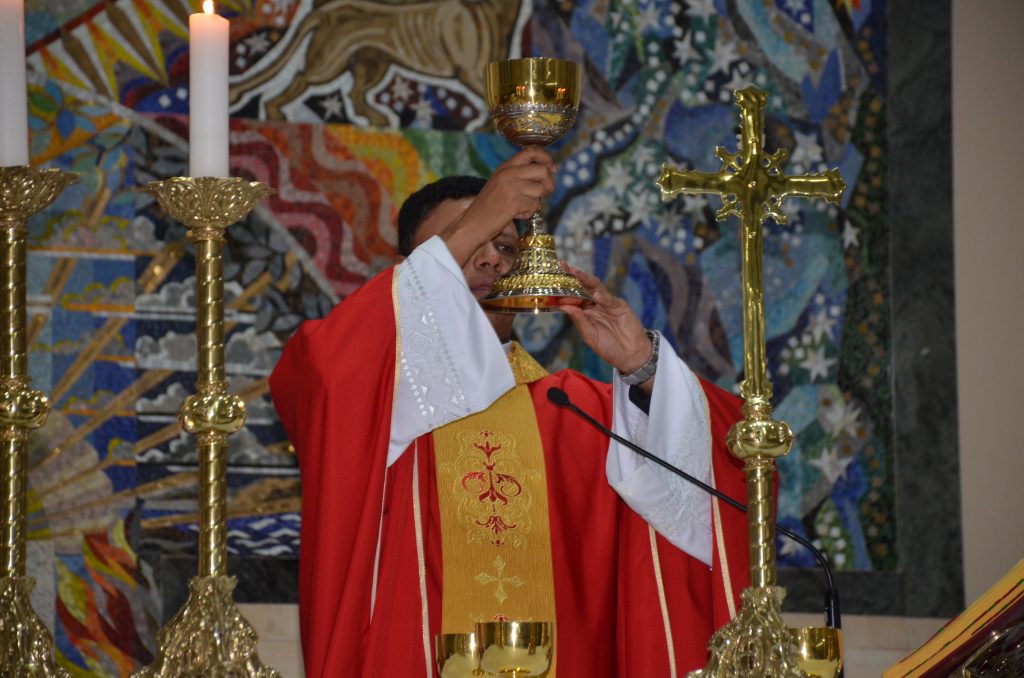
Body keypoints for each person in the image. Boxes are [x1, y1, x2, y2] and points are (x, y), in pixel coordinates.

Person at [269, 148, 750, 677]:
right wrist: (482, 217)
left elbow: (730, 466)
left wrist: (642, 365)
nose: (491, 258)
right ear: (414, 273)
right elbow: (318, 373)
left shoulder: (577, 413)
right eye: (468, 240)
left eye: (504, 244)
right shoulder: (381, 407)